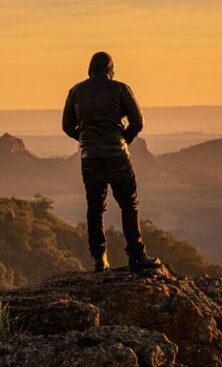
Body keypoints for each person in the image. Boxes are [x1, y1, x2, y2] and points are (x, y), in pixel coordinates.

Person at [62, 51, 162, 273]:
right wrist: (124, 138)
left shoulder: (76, 91)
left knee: (95, 208)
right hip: (117, 154)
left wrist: (85, 140)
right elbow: (138, 121)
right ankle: (136, 256)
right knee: (129, 204)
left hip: (90, 158)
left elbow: (67, 126)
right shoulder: (120, 88)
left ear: (90, 69)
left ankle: (100, 260)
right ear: (111, 70)